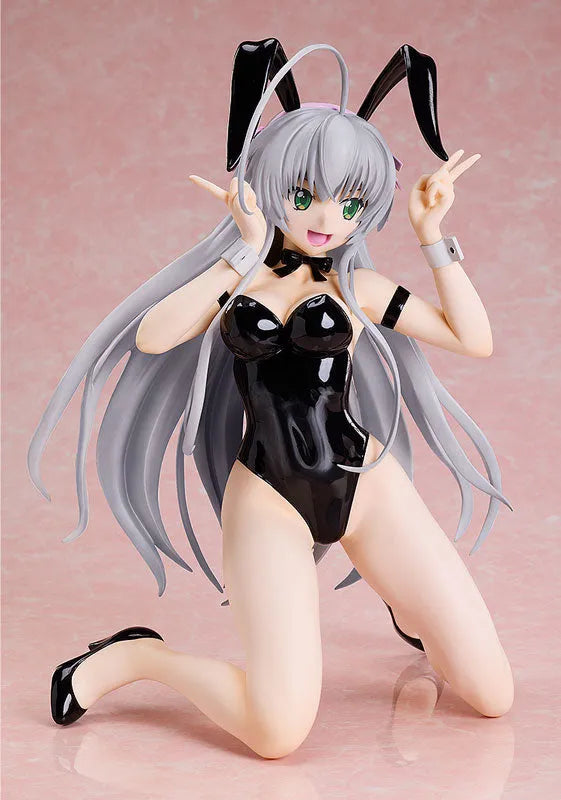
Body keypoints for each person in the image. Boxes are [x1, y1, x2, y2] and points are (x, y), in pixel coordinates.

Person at [29, 40, 514, 760]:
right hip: (268, 498)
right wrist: (244, 248)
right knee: (275, 732)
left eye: (350, 202)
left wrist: (433, 237)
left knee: (493, 695)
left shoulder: (356, 289)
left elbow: (473, 339)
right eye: (305, 195)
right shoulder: (238, 282)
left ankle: (406, 600)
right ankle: (137, 658)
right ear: (269, 181)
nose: (327, 217)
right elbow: (155, 337)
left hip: (368, 485)